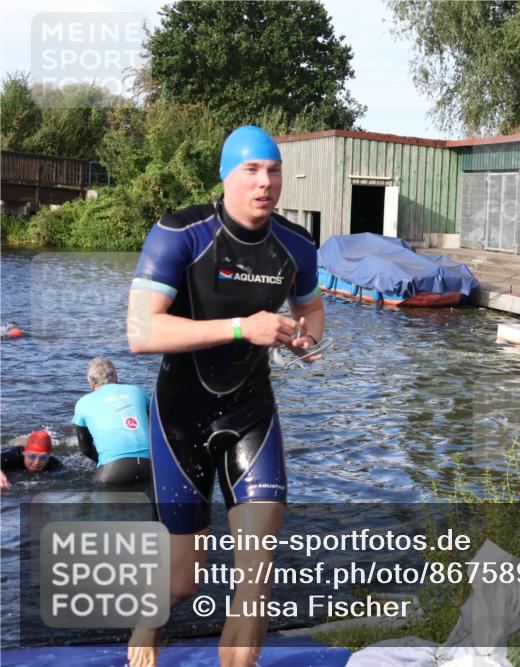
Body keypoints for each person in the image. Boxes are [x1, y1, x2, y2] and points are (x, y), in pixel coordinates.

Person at [125, 125, 324, 667]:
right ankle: (149, 625)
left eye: (274, 170)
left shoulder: (296, 245)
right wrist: (244, 328)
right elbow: (142, 333)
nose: (266, 182)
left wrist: (305, 337)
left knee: (256, 578)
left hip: (252, 412)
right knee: (182, 581)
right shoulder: (180, 232)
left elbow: (311, 309)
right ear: (226, 175)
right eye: (252, 170)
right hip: (181, 416)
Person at [71, 357, 152, 486]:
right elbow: (154, 424)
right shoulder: (138, 391)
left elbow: (85, 449)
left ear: (90, 382)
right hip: (151, 466)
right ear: (116, 376)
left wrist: (105, 461)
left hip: (114, 471)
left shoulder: (83, 403)